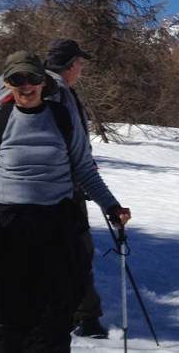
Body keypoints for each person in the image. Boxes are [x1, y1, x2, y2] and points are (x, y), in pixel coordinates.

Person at [0, 50, 131, 352]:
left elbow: (85, 171)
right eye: (17, 79)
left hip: (57, 226)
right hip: (8, 227)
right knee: (10, 314)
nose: (26, 85)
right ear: (9, 84)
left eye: (32, 77)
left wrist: (112, 207)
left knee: (55, 314)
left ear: (43, 81)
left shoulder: (64, 119)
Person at [43, 39, 108, 338]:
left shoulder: (42, 91)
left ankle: (69, 314)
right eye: (80, 62)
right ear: (69, 65)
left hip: (42, 190)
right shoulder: (58, 95)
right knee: (77, 252)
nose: (82, 67)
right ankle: (82, 317)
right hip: (65, 189)